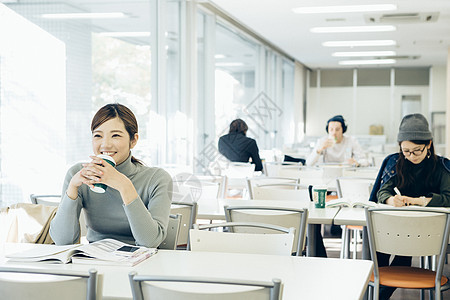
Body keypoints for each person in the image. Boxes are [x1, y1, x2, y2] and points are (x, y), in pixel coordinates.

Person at [50, 103, 173, 248]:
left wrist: (124, 185)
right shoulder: (78, 175)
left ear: (133, 140)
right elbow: (62, 241)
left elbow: (150, 242)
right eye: (98, 135)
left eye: (115, 135)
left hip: (140, 263)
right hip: (94, 262)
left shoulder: (157, 179)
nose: (105, 145)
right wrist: (72, 189)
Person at [369, 113, 450, 300]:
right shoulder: (395, 162)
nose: (410, 156)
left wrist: (419, 201)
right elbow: (382, 192)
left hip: (428, 233)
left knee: (401, 258)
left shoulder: (442, 167)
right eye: (405, 151)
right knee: (378, 258)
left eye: (416, 151)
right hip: (393, 228)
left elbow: (448, 197)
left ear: (429, 144)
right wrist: (390, 200)